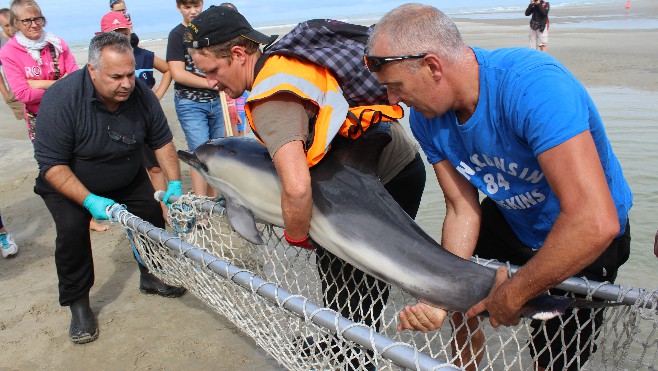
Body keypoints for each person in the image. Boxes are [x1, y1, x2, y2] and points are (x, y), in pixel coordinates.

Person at [366, 4, 632, 371]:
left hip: (584, 233)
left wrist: (516, 292)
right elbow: (462, 209)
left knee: (553, 357)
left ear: (432, 66)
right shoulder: (426, 119)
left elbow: (595, 222)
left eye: (396, 86)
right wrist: (440, 300)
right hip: (511, 216)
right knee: (455, 297)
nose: (393, 100)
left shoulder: (533, 87)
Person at [185, 6, 425, 369]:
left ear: (237, 54)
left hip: (381, 177)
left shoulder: (270, 99)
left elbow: (297, 190)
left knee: (355, 284)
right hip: (382, 161)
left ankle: (357, 359)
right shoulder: (283, 58)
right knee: (339, 276)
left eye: (213, 71)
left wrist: (298, 234)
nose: (212, 83)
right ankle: (340, 345)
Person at [32, 32, 186, 344]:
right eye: (116, 76)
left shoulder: (139, 94)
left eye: (130, 74)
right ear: (92, 70)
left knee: (151, 219)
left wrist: (174, 183)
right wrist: (89, 201)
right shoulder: (61, 99)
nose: (127, 83)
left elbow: (162, 141)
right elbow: (51, 165)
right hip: (70, 182)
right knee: (72, 233)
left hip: (125, 174)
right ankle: (78, 305)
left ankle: (151, 274)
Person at [1, 0, 108, 233]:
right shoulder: (9, 52)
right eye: (26, 20)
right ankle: (75, 214)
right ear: (16, 24)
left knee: (80, 161)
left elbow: (77, 80)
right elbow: (23, 93)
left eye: (37, 18)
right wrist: (57, 84)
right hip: (40, 120)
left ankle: (88, 214)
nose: (33, 24)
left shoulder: (57, 44)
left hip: (70, 113)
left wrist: (40, 84)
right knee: (56, 168)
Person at [98, 11, 173, 219]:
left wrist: (157, 95)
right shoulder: (103, 63)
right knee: (127, 170)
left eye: (124, 32)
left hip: (144, 119)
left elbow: (168, 70)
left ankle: (165, 209)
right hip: (118, 123)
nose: (121, 37)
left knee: (155, 167)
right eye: (114, 33)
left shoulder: (144, 55)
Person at [166, 0, 224, 198]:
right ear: (179, 8)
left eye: (196, 6)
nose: (193, 11)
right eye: (187, 7)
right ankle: (201, 203)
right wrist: (210, 83)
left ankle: (213, 199)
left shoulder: (210, 29)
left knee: (216, 152)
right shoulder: (176, 35)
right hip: (189, 103)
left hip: (217, 101)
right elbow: (177, 73)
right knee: (199, 152)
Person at [0, 8, 25, 121]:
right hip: (15, 90)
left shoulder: (24, 36)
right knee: (31, 126)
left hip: (34, 86)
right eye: (6, 26)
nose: (11, 29)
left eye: (12, 24)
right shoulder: (1, 42)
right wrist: (6, 95)